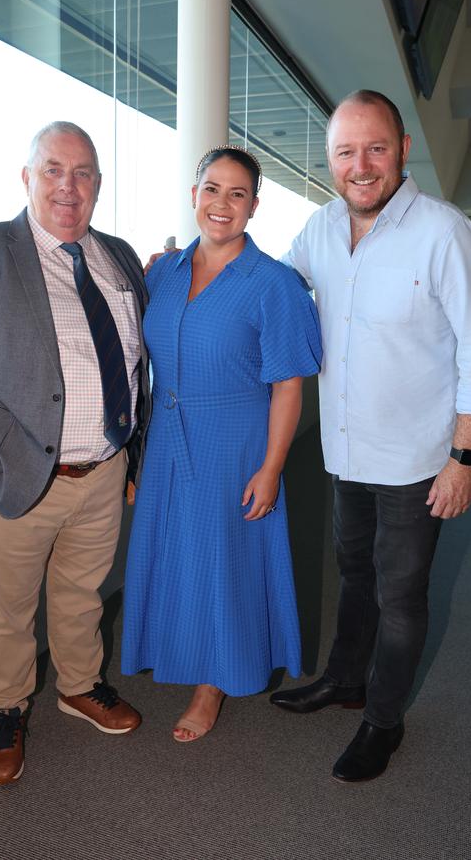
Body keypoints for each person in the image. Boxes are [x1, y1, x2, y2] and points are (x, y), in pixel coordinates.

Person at [269, 90, 471, 782]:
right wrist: (196, 265)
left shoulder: (445, 233)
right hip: (348, 453)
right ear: (330, 161)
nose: (361, 164)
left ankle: (384, 718)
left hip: (417, 460)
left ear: (403, 150)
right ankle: (346, 678)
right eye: (346, 152)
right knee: (354, 574)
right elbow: (277, 290)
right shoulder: (320, 228)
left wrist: (463, 460)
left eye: (376, 148)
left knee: (400, 595)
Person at [0, 121, 151, 785]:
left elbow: (136, 359)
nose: (67, 187)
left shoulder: (120, 256)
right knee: (7, 610)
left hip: (101, 473)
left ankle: (78, 684)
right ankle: (7, 707)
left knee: (81, 595)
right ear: (27, 177)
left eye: (83, 174)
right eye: (53, 170)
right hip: (14, 472)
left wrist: (132, 451)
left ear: (98, 185)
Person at [121, 146, 323, 741]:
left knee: (223, 562)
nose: (222, 204)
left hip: (235, 441)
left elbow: (288, 387)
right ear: (194, 195)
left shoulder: (274, 284)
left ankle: (213, 682)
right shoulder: (164, 271)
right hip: (168, 440)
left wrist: (272, 468)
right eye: (212, 189)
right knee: (178, 554)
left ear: (254, 207)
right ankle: (182, 651)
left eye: (238, 194)